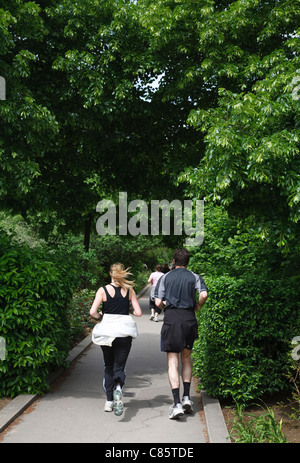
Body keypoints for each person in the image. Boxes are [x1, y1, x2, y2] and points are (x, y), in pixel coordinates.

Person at [155, 248, 208, 420]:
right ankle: (187, 397)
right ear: (188, 261)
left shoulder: (165, 277)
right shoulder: (194, 276)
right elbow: (204, 294)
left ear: (173, 261)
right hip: (189, 319)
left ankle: (176, 403)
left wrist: (165, 303)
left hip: (172, 319)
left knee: (172, 362)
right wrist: (197, 305)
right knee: (186, 358)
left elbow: (157, 302)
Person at [90, 263, 142, 416]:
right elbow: (138, 313)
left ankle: (109, 401)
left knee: (108, 365)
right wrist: (127, 309)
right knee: (120, 365)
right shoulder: (129, 290)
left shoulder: (103, 290)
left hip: (107, 331)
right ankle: (118, 387)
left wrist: (101, 316)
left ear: (111, 274)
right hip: (124, 332)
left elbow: (93, 312)